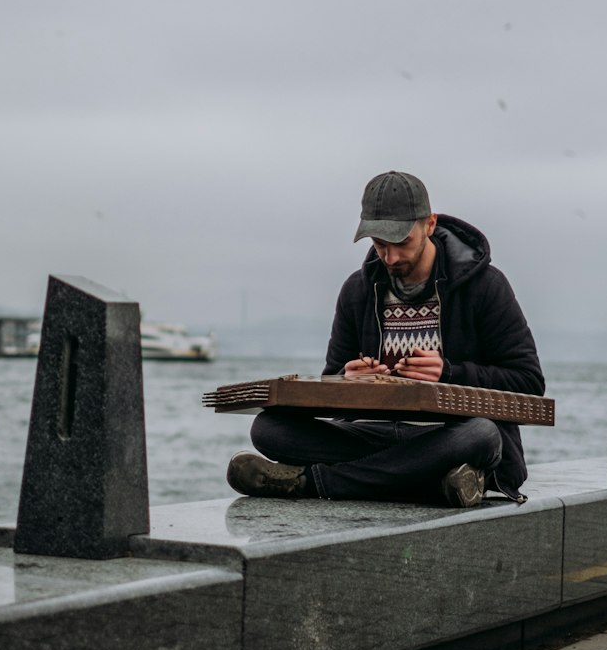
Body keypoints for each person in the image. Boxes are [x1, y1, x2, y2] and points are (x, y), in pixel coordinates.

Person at [227, 170, 544, 508]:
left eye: (402, 243)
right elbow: (331, 379)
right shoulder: (356, 290)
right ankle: (435, 482)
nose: (390, 257)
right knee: (268, 428)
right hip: (376, 437)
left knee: (481, 434)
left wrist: (448, 373)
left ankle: (314, 482)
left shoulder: (486, 286)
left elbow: (529, 382)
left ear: (430, 224)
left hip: (450, 436)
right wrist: (346, 382)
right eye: (380, 245)